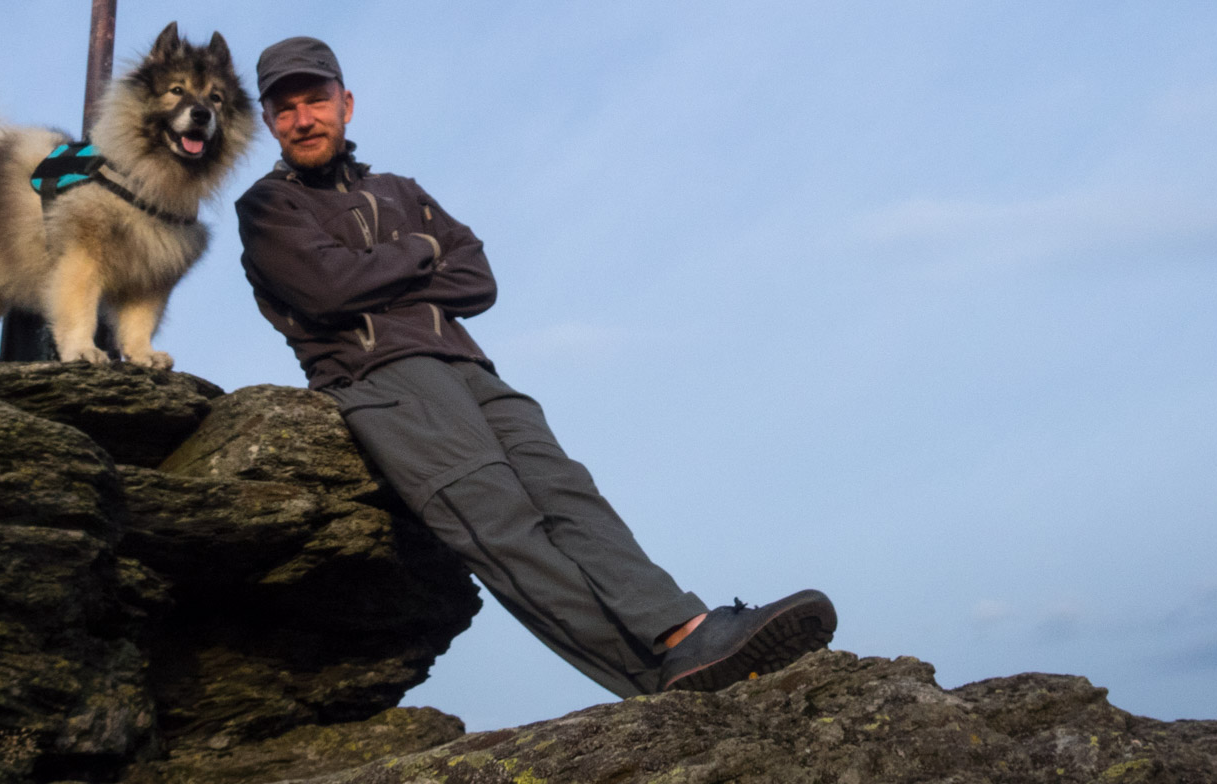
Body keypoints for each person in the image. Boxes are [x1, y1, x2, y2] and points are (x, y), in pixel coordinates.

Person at [235, 36, 836, 697]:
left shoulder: (400, 190)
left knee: (571, 498)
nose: (302, 118)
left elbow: (478, 279)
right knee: (502, 524)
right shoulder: (269, 207)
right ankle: (655, 678)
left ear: (345, 103)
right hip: (383, 375)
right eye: (284, 108)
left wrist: (386, 265)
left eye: (314, 100)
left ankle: (687, 633)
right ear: (269, 122)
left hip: (473, 368)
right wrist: (419, 252)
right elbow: (327, 290)